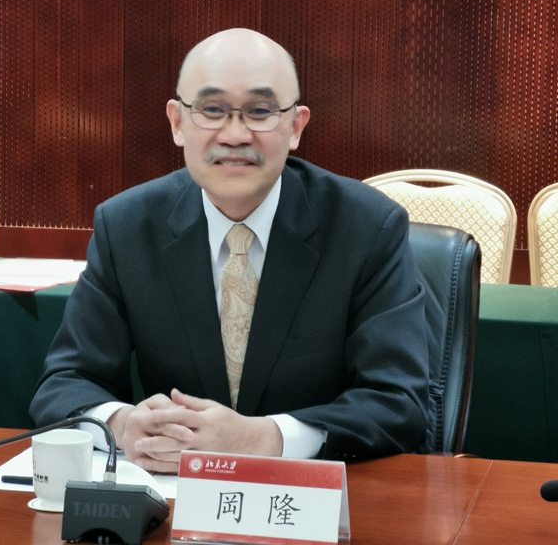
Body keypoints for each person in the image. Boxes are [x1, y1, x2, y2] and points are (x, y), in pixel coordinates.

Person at [30, 28, 429, 474]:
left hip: (315, 500)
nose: (236, 135)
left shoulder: (367, 228)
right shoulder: (127, 227)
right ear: (177, 123)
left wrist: (265, 438)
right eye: (211, 110)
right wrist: (123, 425)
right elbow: (64, 384)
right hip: (175, 497)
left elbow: (399, 402)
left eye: (260, 111)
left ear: (295, 127)